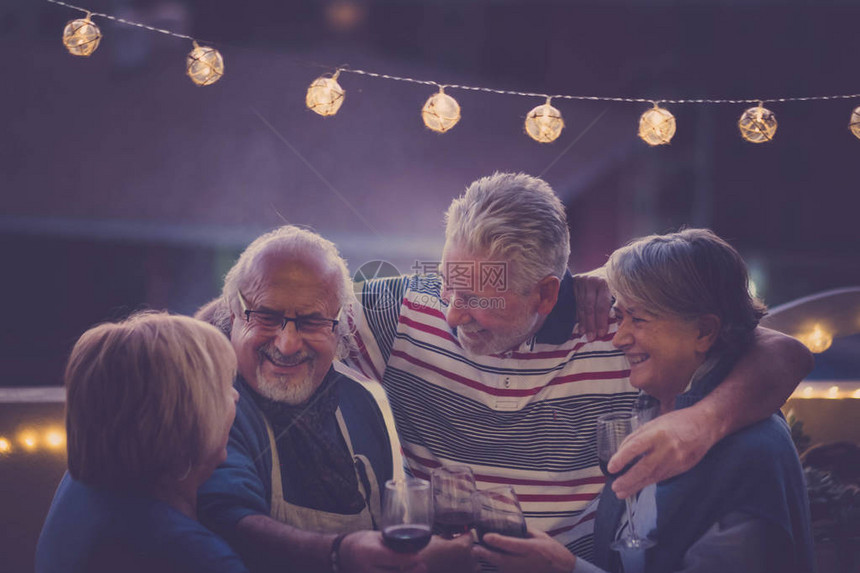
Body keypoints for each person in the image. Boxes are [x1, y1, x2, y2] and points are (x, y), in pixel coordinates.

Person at [348, 173, 813, 559]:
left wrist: (701, 422)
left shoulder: (621, 330)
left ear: (547, 294)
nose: (450, 313)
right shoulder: (403, 310)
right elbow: (292, 310)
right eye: (448, 285)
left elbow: (780, 349)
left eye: (476, 298)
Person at [475, 228, 815, 572]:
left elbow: (789, 350)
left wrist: (565, 568)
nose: (618, 338)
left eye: (637, 319)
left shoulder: (753, 453)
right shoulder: (648, 407)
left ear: (704, 331)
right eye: (619, 316)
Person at [196, 226, 440, 573]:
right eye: (266, 317)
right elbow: (226, 517)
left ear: (338, 327)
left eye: (311, 322)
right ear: (234, 314)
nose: (287, 344)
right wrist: (340, 555)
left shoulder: (360, 405)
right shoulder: (213, 401)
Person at [36, 312, 248, 573]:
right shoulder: (189, 554)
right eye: (224, 387)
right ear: (189, 417)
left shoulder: (80, 486)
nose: (236, 396)